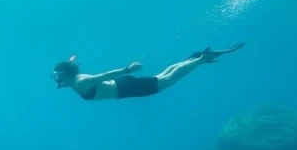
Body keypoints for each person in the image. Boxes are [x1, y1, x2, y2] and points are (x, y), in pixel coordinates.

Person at [52, 44, 245, 101]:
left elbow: (103, 77)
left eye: (57, 76)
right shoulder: (75, 81)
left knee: (170, 79)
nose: (55, 80)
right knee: (163, 76)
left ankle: (202, 59)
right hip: (123, 86)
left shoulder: (79, 82)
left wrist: (127, 69)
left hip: (124, 88)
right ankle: (193, 59)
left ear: (65, 75)